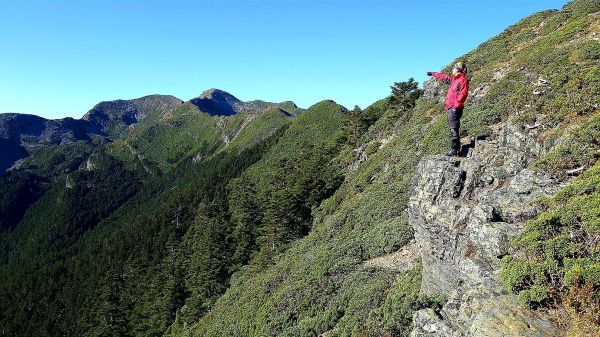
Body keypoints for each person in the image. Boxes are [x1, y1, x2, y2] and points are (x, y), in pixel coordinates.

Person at [427, 62, 469, 156]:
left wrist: (455, 107)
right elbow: (444, 77)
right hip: (452, 107)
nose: (452, 70)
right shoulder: (454, 80)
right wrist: (433, 74)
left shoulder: (462, 80)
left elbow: (463, 94)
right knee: (453, 128)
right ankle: (456, 149)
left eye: (454, 68)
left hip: (455, 108)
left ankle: (454, 150)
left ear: (458, 70)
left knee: (454, 128)